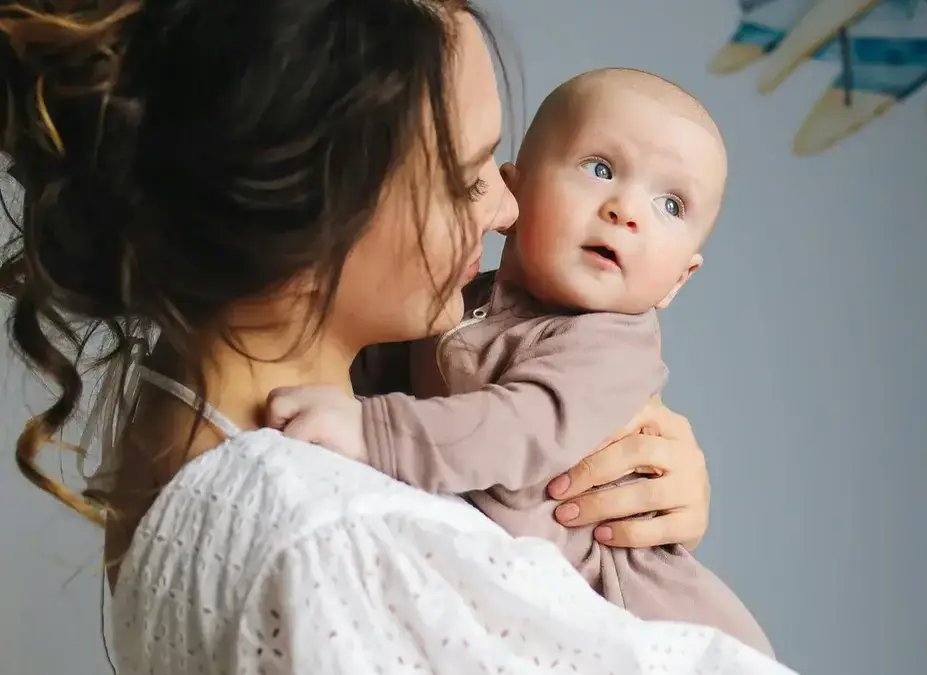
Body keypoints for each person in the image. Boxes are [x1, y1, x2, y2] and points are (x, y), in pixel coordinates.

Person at [0, 1, 797, 673]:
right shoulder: (334, 540)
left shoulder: (179, 417)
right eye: (469, 175)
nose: (506, 210)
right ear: (314, 218)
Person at [265, 67, 774, 656]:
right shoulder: (461, 301)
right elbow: (375, 372)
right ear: (515, 193)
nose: (627, 209)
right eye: (600, 168)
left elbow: (515, 429)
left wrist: (369, 429)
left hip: (637, 624)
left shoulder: (608, 347)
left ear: (677, 281)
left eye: (670, 203)